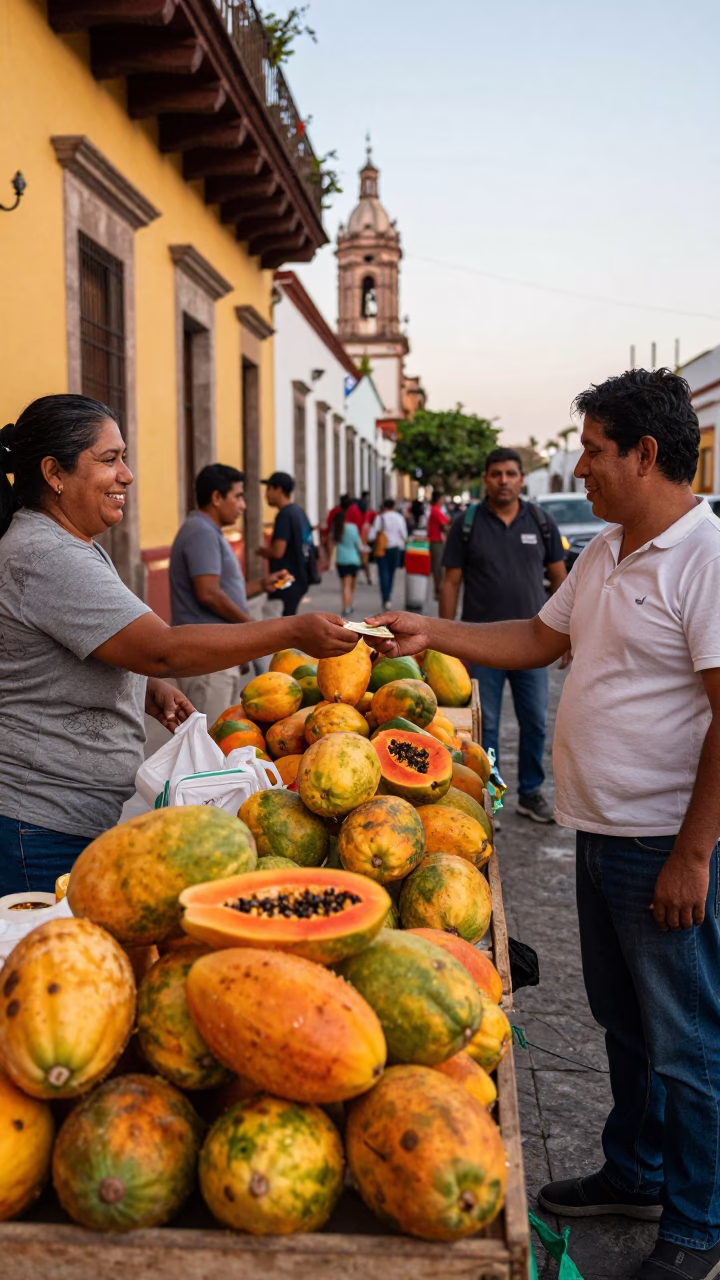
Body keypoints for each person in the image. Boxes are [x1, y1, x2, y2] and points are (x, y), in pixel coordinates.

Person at [368, 368, 720, 1280]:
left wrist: (694, 853)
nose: (585, 468)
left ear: (646, 454)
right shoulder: (606, 550)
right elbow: (536, 638)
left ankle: (697, 1223)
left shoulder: (705, 555)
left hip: (660, 843)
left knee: (687, 1042)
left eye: (596, 452)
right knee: (623, 1023)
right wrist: (431, 634)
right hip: (600, 834)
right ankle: (635, 1171)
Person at [0, 396, 357, 897]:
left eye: (124, 457)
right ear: (54, 472)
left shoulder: (74, 545)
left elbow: (92, 647)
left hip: (71, 815)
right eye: (109, 459)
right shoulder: (45, 553)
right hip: (43, 826)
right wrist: (293, 632)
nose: (126, 475)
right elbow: (161, 648)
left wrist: (144, 687)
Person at [441, 447, 566, 823]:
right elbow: (450, 584)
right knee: (486, 726)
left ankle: (530, 793)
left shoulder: (542, 522)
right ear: (486, 478)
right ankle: (489, 797)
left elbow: (560, 577)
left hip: (533, 645)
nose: (504, 480)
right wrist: (445, 646)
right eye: (496, 474)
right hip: (482, 646)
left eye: (511, 473)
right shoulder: (467, 523)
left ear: (522, 478)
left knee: (536, 721)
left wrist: (566, 632)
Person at [169, 464, 283, 728]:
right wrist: (251, 629)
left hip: (217, 656)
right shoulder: (200, 532)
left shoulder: (208, 531)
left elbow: (225, 591)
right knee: (209, 743)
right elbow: (208, 594)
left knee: (223, 738)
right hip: (206, 659)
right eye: (238, 496)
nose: (242, 505)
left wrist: (263, 585)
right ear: (216, 498)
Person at [256, 471, 313, 617]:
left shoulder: (284, 515)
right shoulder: (298, 511)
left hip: (285, 582)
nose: (266, 494)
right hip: (299, 579)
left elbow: (278, 551)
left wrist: (261, 551)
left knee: (279, 625)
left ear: (279, 490)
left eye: (269, 489)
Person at [369, 497, 407, 610]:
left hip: (382, 549)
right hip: (395, 548)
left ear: (384, 507)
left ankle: (385, 598)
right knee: (391, 573)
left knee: (383, 573)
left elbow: (372, 535)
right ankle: (388, 595)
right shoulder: (399, 518)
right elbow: (404, 535)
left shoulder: (379, 518)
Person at [331, 497, 363, 617]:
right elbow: (358, 544)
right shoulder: (352, 528)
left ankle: (346, 606)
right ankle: (349, 604)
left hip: (341, 560)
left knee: (344, 585)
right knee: (352, 585)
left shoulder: (337, 530)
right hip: (353, 559)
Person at [428, 491, 449, 599]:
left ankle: (438, 590)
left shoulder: (435, 510)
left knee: (438, 567)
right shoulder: (436, 510)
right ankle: (438, 591)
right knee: (438, 567)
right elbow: (445, 525)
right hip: (436, 541)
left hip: (437, 540)